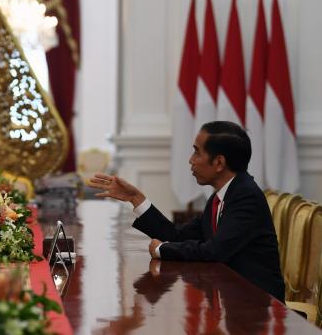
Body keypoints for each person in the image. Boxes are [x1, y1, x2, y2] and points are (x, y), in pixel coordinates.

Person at [89, 121, 285, 302]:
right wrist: (136, 198)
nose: (191, 160)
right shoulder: (220, 198)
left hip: (258, 305)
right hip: (230, 298)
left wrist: (161, 250)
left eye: (197, 153)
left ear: (219, 163)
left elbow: (215, 251)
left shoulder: (245, 196)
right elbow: (178, 236)